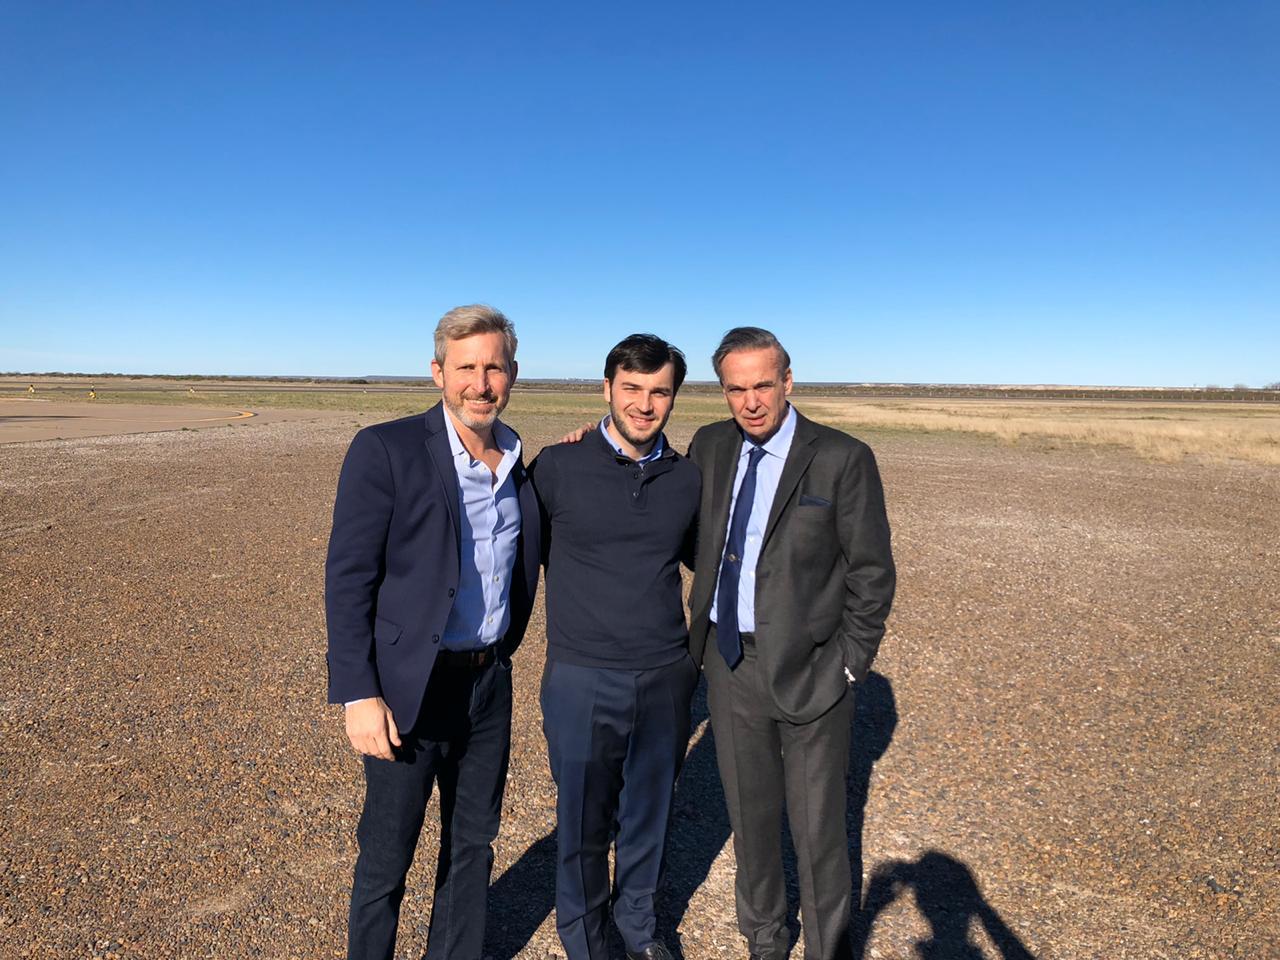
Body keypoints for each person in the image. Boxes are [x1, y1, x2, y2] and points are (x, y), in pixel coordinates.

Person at [325, 304, 541, 960]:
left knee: (473, 846)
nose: (481, 382)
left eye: (494, 367)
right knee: (387, 855)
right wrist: (358, 692)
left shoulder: (519, 464)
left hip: (488, 686)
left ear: (512, 374)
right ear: (438, 373)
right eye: (466, 367)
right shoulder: (387, 449)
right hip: (407, 692)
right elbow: (348, 578)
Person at [686, 327, 896, 960]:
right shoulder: (710, 446)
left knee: (818, 832)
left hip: (812, 674)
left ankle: (827, 949)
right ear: (723, 391)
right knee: (751, 824)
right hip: (729, 664)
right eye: (736, 389)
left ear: (788, 382)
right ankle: (765, 940)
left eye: (763, 386)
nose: (751, 402)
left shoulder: (840, 457)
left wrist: (849, 666)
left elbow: (872, 574)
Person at [529, 334, 701, 960]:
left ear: (674, 397)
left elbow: (708, 561)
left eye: (660, 392)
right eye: (632, 388)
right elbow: (506, 549)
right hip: (580, 675)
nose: (645, 404)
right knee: (581, 821)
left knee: (648, 817)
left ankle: (639, 928)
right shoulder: (556, 466)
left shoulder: (687, 478)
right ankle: (585, 937)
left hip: (665, 673)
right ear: (607, 390)